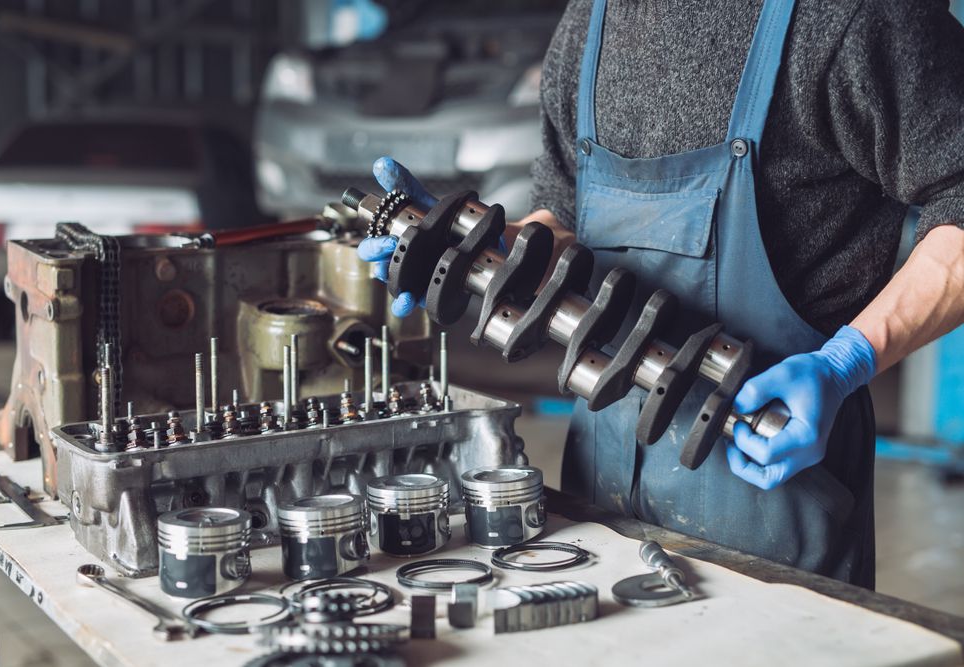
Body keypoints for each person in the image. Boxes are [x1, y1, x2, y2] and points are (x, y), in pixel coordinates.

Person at [357, 0, 964, 588]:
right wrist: (470, 249)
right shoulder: (592, 21)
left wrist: (846, 361)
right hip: (604, 493)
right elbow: (566, 222)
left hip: (772, 481)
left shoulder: (856, 15)